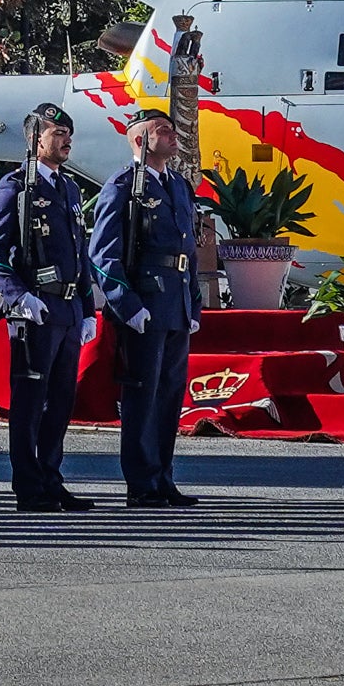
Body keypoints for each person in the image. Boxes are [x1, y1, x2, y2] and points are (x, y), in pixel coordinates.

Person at [0, 103, 97, 511]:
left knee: (61, 400)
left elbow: (80, 255)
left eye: (68, 133)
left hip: (66, 312)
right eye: (57, 133)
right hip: (35, 311)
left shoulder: (68, 188)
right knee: (30, 402)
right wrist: (18, 295)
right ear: (35, 140)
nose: (66, 140)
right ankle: (27, 484)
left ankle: (51, 476)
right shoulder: (14, 188)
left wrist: (86, 307)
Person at [93, 105, 205, 509]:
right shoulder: (123, 186)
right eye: (163, 130)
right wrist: (127, 304)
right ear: (141, 139)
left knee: (170, 395)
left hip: (174, 303)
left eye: (173, 130)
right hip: (146, 302)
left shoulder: (177, 185)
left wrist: (193, 304)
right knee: (142, 395)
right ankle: (141, 482)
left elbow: (188, 251)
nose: (173, 136)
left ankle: (162, 477)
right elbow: (104, 254)